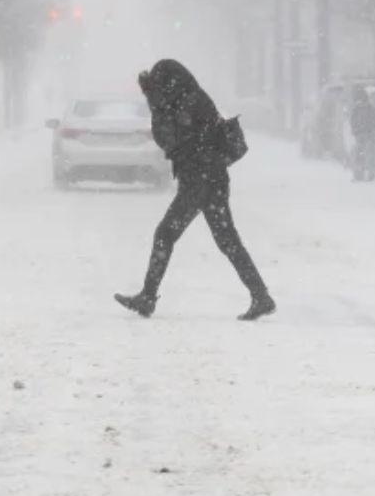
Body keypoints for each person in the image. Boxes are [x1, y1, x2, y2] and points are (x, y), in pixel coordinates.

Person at [114, 59, 276, 321]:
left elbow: (165, 137)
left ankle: (147, 297)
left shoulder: (179, 104)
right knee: (227, 240)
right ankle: (261, 295)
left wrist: (155, 101)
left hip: (199, 179)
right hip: (213, 177)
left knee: (166, 234)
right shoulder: (194, 97)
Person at [349, 86, 375, 182]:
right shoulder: (371, 108)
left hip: (361, 134)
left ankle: (359, 175)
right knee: (370, 155)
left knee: (359, 155)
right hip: (368, 134)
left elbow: (352, 121)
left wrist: (355, 130)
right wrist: (371, 129)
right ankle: (370, 174)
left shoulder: (356, 109)